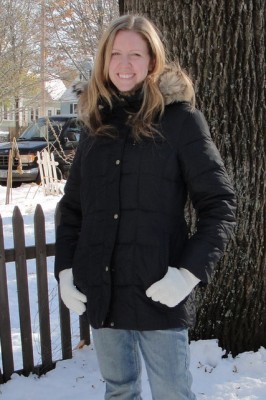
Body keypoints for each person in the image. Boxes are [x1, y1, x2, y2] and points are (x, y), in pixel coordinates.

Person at [55, 14, 236, 400]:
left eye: (135, 54)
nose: (124, 64)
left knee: (172, 392)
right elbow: (72, 209)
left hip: (158, 290)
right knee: (119, 390)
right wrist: (66, 270)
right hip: (102, 292)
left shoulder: (181, 121)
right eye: (115, 53)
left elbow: (219, 204)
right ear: (104, 61)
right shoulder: (94, 125)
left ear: (152, 61)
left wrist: (187, 275)